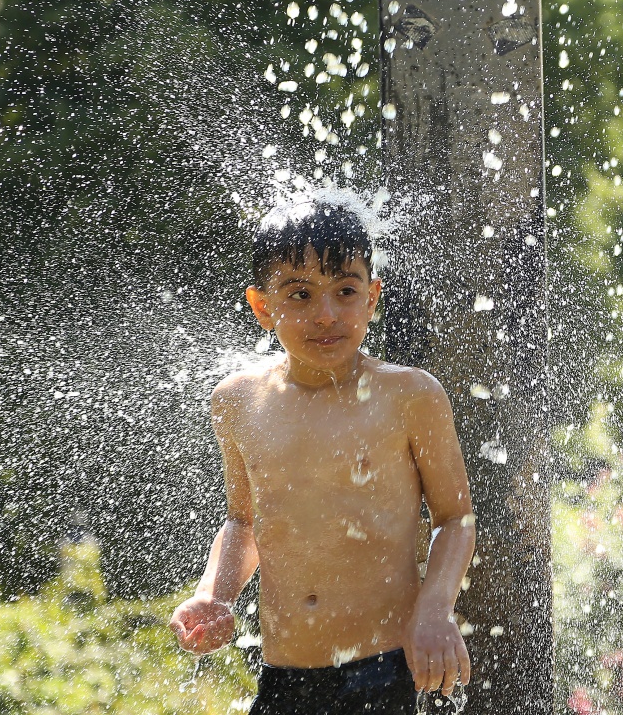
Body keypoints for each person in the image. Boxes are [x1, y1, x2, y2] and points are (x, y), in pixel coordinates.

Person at [168, 198, 475, 714]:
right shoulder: (238, 401)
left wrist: (434, 610)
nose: (326, 314)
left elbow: (454, 518)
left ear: (372, 298)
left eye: (346, 291)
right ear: (263, 307)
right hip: (285, 672)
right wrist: (214, 595)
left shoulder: (409, 396)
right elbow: (245, 523)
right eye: (301, 294)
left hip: (382, 667)